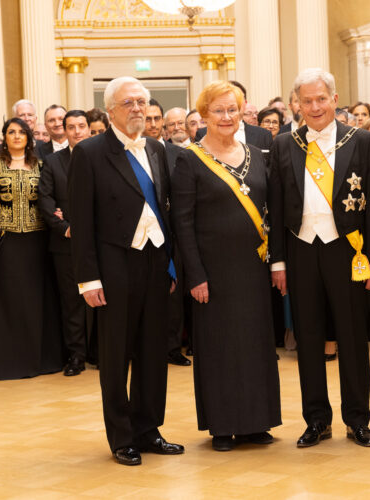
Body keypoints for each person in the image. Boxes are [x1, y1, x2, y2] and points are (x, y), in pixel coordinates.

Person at [269, 68, 370, 448]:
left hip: (347, 249)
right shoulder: (285, 144)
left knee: (353, 337)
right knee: (308, 338)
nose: (315, 106)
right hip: (301, 249)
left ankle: (358, 419)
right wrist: (278, 262)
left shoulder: (363, 141)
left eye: (322, 99)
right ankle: (317, 419)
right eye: (307, 100)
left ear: (335, 100)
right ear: (296, 105)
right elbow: (275, 206)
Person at [68, 76, 184, 465]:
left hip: (155, 263)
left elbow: (165, 211)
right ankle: (121, 437)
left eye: (143, 101)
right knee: (116, 355)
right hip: (113, 265)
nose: (138, 109)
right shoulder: (88, 153)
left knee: (154, 350)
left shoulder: (157, 148)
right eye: (129, 103)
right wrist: (88, 278)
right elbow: (81, 222)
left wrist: (171, 266)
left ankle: (148, 429)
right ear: (111, 110)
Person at [172, 80, 281, 452]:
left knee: (255, 344)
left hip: (253, 267)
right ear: (203, 116)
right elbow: (182, 223)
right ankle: (222, 425)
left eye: (232, 109)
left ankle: (256, 422)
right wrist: (195, 275)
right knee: (219, 348)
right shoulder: (189, 158)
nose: (226, 116)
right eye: (218, 110)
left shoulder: (256, 152)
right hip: (213, 273)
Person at [0, 118, 63, 380]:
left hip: (37, 240)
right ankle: (8, 363)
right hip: (6, 241)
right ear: (4, 137)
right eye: (11, 132)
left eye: (22, 132)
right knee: (8, 300)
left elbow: (50, 199)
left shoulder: (41, 165)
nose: (17, 136)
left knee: (37, 299)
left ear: (29, 137)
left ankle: (39, 360)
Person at [38, 110, 91, 376]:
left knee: (103, 299)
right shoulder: (52, 162)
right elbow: (46, 201)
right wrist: (65, 228)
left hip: (101, 242)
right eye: (71, 127)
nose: (77, 131)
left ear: (89, 129)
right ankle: (76, 355)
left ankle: (101, 352)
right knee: (72, 301)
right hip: (65, 243)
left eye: (82, 126)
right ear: (64, 131)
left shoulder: (103, 158)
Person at [142, 98, 190, 368]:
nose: (152, 124)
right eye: (147, 118)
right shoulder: (129, 153)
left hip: (173, 235)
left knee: (174, 294)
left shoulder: (177, 154)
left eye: (156, 118)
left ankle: (173, 347)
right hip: (141, 236)